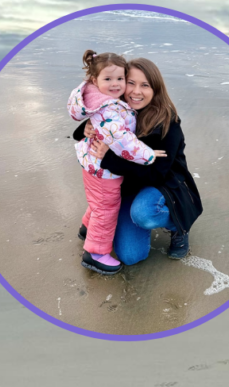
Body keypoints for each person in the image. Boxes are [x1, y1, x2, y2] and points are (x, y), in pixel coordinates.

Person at [73, 57, 202, 265]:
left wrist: (109, 158)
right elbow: (99, 126)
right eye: (130, 83)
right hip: (129, 186)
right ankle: (100, 223)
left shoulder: (167, 121)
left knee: (144, 213)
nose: (136, 91)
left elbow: (156, 173)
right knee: (131, 256)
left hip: (162, 184)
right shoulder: (116, 108)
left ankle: (178, 227)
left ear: (156, 89)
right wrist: (85, 127)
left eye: (145, 85)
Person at [68, 50, 163, 275]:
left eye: (120, 79)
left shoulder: (98, 100)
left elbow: (105, 128)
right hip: (104, 171)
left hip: (93, 165)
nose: (116, 84)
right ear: (95, 80)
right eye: (109, 79)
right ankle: (95, 254)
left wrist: (90, 131)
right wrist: (148, 155)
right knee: (106, 207)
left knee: (99, 203)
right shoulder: (111, 107)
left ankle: (86, 228)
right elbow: (124, 141)